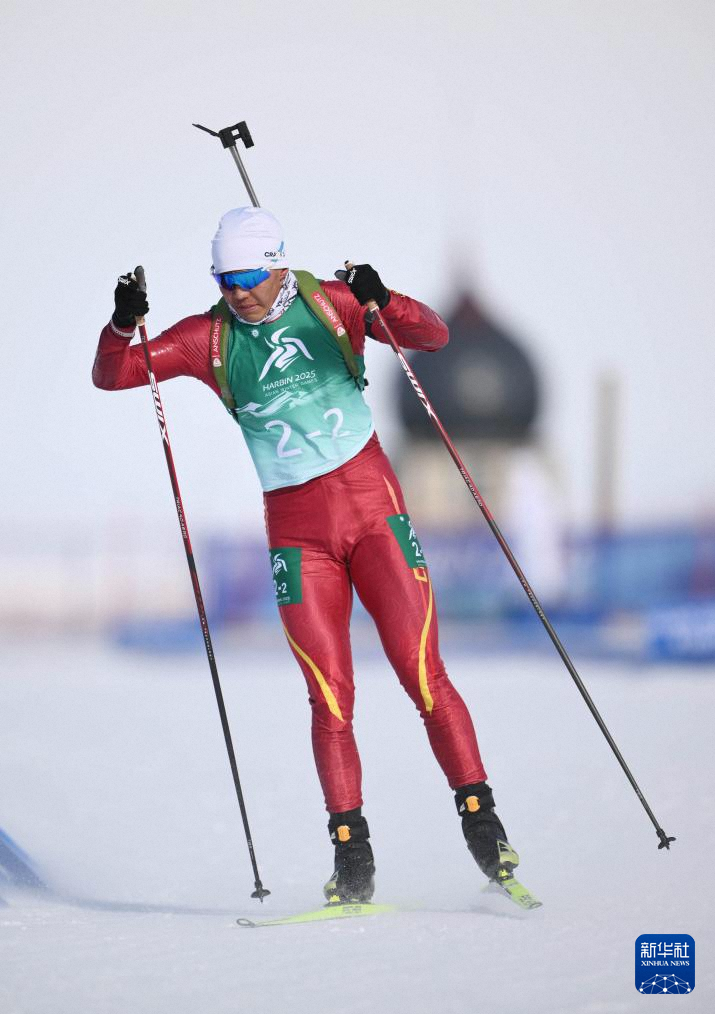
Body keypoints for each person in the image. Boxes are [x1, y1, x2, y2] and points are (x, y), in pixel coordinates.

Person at [92, 206, 520, 904]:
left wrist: (383, 299)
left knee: (421, 673)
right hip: (297, 535)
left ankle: (483, 823)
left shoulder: (333, 305)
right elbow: (114, 376)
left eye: (248, 277)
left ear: (278, 266)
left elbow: (432, 336)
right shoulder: (208, 339)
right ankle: (352, 858)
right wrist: (121, 323)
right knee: (328, 696)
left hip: (374, 515)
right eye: (224, 279)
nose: (237, 292)